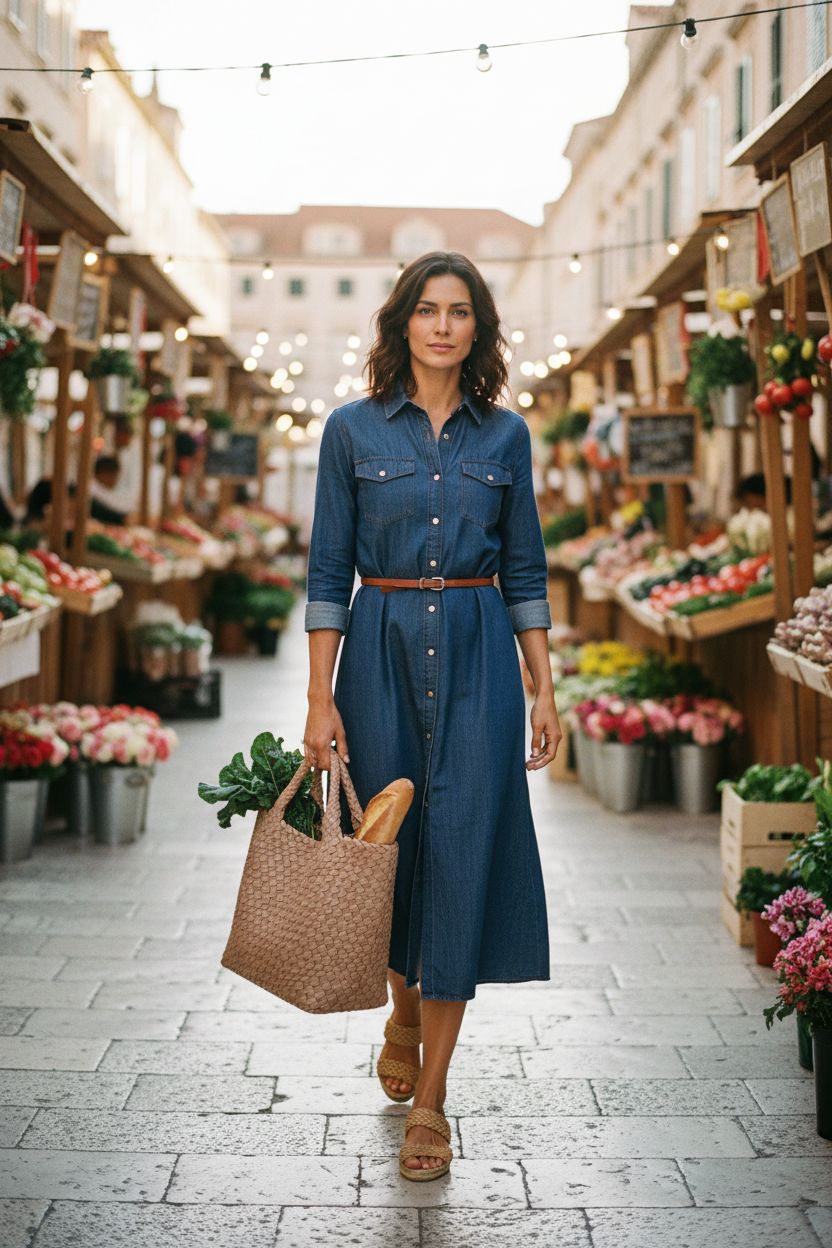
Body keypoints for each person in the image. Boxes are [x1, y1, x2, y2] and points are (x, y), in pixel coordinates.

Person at [303, 251, 560, 1181]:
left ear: (479, 330)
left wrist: (544, 682)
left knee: (462, 852)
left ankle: (436, 1098)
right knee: (392, 854)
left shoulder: (507, 438)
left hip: (483, 656)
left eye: (460, 312)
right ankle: (401, 1010)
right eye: (428, 310)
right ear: (402, 323)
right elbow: (329, 571)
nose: (443, 326)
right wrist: (318, 695)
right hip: (375, 652)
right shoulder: (349, 431)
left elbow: (525, 570)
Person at [89, 456, 128, 525]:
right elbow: (106, 512)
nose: (117, 480)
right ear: (104, 474)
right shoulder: (91, 491)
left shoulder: (101, 489)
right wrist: (124, 518)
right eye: (115, 476)